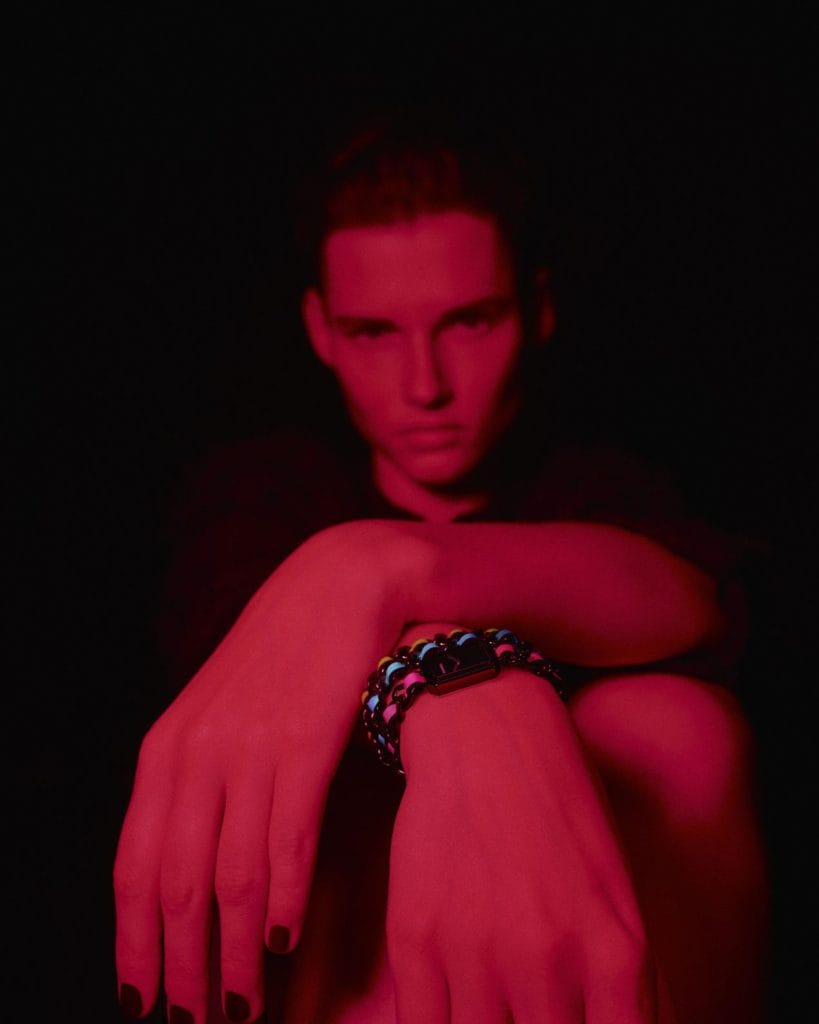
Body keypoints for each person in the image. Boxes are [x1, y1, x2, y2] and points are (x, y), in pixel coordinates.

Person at [114, 105, 768, 1023]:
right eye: (374, 333)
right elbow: (241, 669)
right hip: (338, 973)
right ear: (319, 330)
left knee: (668, 723)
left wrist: (381, 566)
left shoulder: (588, 487)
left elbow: (696, 600)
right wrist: (462, 689)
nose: (424, 385)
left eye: (469, 321)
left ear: (536, 311)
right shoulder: (266, 496)